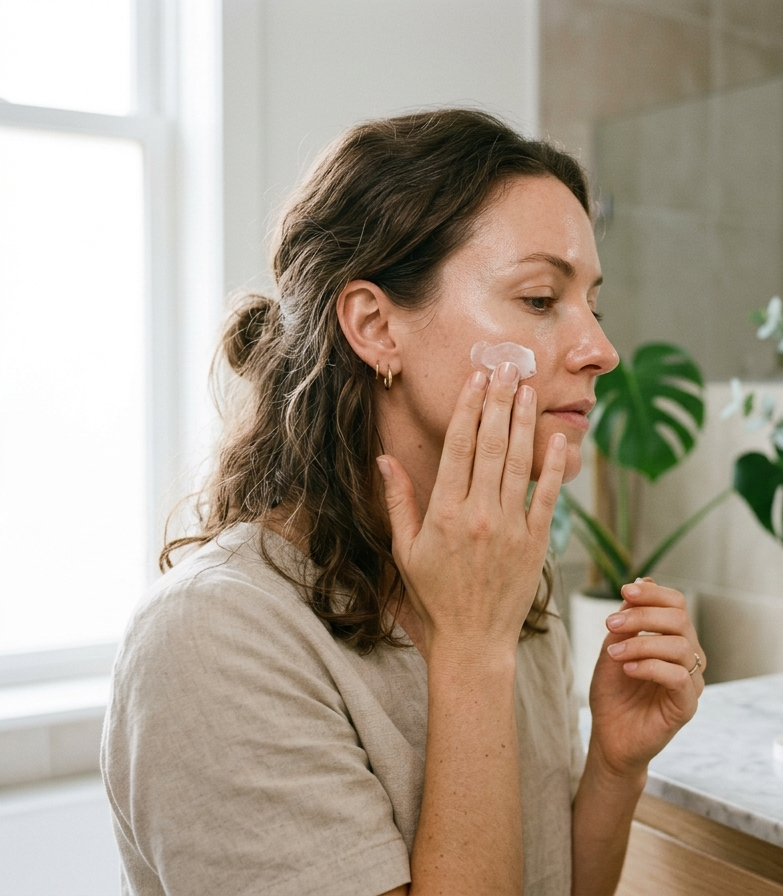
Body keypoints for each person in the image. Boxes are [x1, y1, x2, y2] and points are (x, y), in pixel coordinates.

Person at [101, 109, 705, 896]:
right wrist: (472, 649)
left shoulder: (504, 585)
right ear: (377, 326)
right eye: (537, 298)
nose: (600, 348)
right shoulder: (211, 640)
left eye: (594, 303)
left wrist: (617, 766)